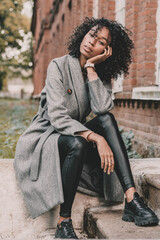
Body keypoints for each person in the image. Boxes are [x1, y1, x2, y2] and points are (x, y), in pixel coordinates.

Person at [14, 17, 159, 239]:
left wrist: (91, 69)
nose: (92, 42)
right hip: (45, 136)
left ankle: (132, 199)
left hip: (73, 134)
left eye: (101, 41)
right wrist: (97, 139)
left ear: (107, 50)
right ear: (83, 33)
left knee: (107, 120)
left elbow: (102, 109)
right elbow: (57, 116)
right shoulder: (58, 66)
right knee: (79, 141)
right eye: (92, 34)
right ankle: (64, 223)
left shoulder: (100, 75)